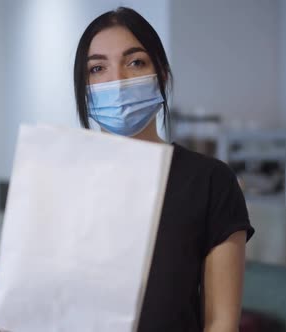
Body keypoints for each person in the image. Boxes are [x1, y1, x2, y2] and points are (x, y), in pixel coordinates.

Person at [73, 7, 255, 332]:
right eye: (98, 68)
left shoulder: (210, 182)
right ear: (84, 90)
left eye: (135, 62)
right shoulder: (60, 181)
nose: (117, 80)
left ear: (163, 77)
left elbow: (221, 323)